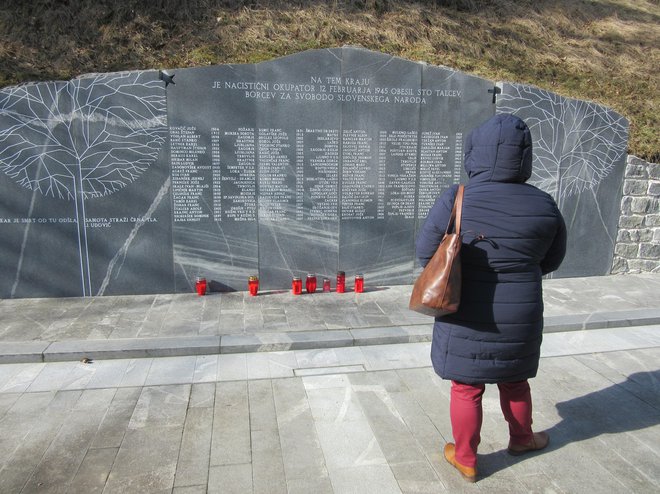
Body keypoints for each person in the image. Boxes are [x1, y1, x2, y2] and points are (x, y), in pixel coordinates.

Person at [415, 113, 567, 482]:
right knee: (515, 379)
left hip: (463, 309)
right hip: (521, 312)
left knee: (466, 385)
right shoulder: (544, 204)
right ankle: (522, 438)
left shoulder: (457, 197)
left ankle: (466, 457)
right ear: (524, 156)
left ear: (474, 152)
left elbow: (425, 252)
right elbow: (553, 258)